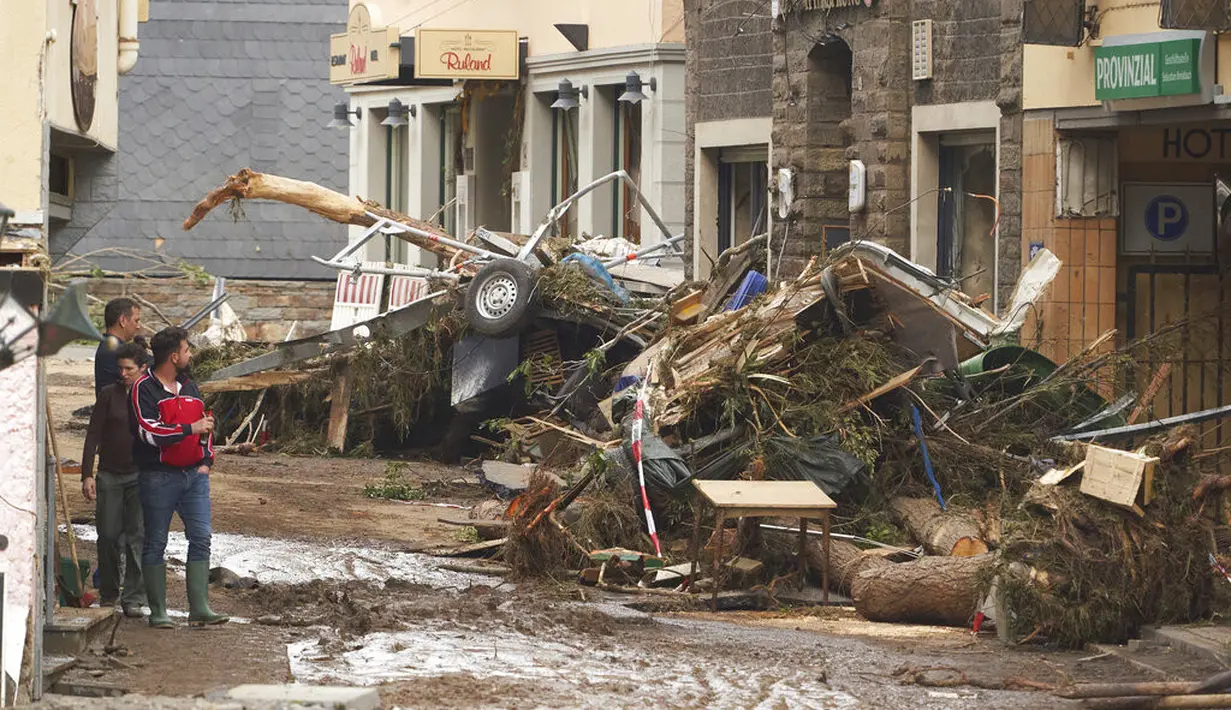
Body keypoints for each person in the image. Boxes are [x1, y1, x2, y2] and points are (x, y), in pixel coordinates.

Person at [131, 326, 227, 629]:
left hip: (194, 476)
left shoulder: (189, 385)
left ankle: (199, 608)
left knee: (201, 537)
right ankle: (158, 611)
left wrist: (206, 460)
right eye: (187, 350)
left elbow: (206, 425)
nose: (190, 355)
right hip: (158, 477)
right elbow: (149, 432)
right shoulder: (143, 388)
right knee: (155, 541)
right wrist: (189, 429)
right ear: (174, 356)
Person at [82, 342, 150, 618]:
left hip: (141, 475)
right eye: (120, 368)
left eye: (129, 369)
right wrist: (87, 473)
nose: (123, 373)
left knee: (136, 537)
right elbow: (93, 435)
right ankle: (109, 592)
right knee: (108, 536)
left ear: (143, 368)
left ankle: (133, 597)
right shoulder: (109, 395)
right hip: (109, 474)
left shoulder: (150, 396)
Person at [96, 298, 143, 397]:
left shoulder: (109, 345)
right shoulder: (115, 350)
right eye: (136, 321)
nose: (138, 326)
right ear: (123, 320)